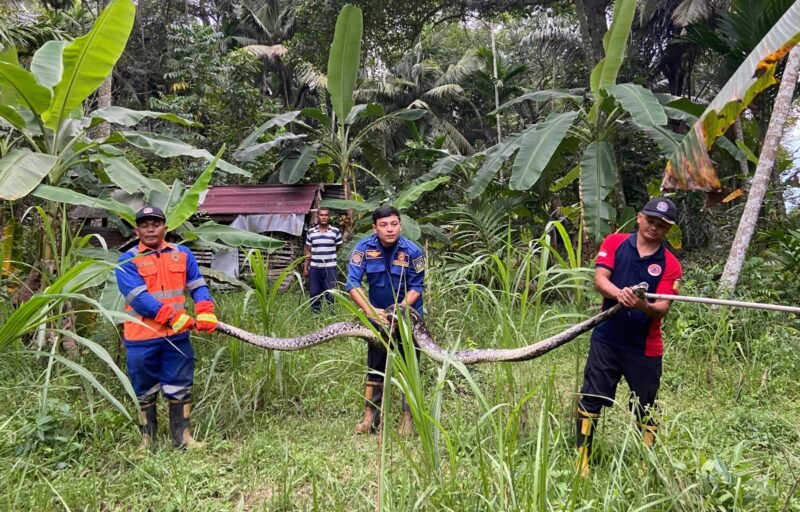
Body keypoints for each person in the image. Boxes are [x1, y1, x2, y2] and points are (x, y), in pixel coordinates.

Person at [576, 197, 682, 476]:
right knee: (591, 398)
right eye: (650, 220)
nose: (654, 227)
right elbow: (600, 280)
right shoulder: (614, 242)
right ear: (639, 218)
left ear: (668, 230)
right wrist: (619, 294)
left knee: (646, 407)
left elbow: (662, 308)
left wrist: (642, 305)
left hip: (645, 348)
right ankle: (581, 461)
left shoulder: (671, 264)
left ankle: (645, 467)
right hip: (606, 339)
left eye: (662, 225)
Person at [116, 206, 219, 450]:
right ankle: (147, 441)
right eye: (144, 225)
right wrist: (173, 317)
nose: (150, 229)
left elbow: (197, 285)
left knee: (180, 386)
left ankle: (183, 438)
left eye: (155, 224)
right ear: (137, 231)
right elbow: (139, 299)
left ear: (166, 227)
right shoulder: (127, 260)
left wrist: (205, 309)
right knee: (144, 390)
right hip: (142, 338)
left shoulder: (182, 254)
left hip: (177, 338)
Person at [345, 206, 426, 436]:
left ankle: (408, 421)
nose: (390, 229)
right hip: (377, 318)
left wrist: (398, 311)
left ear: (400, 225)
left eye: (394, 224)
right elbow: (352, 283)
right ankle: (370, 419)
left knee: (410, 368)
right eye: (383, 225)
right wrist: (371, 311)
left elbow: (417, 287)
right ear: (375, 228)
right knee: (376, 366)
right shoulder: (363, 249)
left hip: (408, 317)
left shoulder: (414, 252)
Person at [303, 208, 343, 312]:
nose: (324, 217)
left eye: (326, 215)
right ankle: (315, 315)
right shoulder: (311, 232)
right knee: (314, 293)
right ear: (317, 216)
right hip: (315, 268)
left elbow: (337, 247)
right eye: (321, 215)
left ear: (329, 217)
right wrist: (306, 268)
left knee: (330, 293)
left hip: (330, 267)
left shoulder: (335, 231)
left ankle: (331, 313)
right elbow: (308, 251)